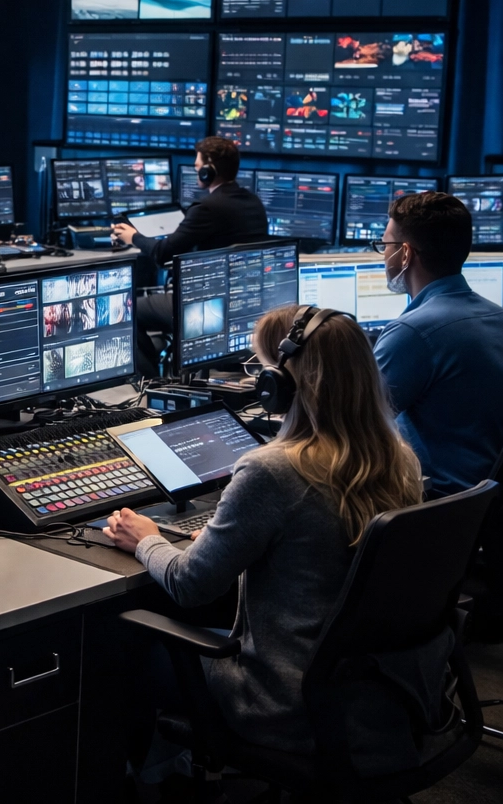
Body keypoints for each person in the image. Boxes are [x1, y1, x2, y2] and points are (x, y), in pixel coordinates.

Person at [105, 304, 431, 765]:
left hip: (282, 703)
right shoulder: (398, 460)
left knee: (112, 642)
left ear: (281, 386)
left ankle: (149, 782)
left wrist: (146, 539)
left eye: (261, 368)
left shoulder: (274, 471)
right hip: (374, 699)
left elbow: (190, 584)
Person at [374, 191, 503, 495]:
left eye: (385, 245)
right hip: (479, 508)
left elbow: (347, 423)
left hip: (434, 508)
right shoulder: (497, 316)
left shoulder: (412, 333)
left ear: (405, 253)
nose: (382, 255)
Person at [111, 136, 268, 374]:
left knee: (127, 309)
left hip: (206, 303)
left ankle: (149, 381)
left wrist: (132, 236)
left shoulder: (207, 208)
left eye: (198, 168)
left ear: (208, 170)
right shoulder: (253, 202)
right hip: (246, 301)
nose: (197, 173)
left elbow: (162, 253)